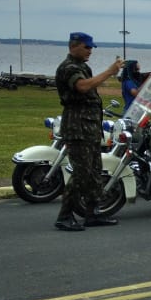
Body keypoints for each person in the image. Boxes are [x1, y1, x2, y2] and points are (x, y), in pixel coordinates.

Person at [53, 32, 124, 231]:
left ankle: (92, 214)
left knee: (94, 173)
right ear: (73, 46)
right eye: (87, 47)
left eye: (91, 47)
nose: (90, 51)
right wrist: (109, 71)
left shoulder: (83, 67)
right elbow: (83, 86)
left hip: (90, 128)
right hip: (78, 128)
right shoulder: (68, 67)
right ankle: (64, 216)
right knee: (81, 173)